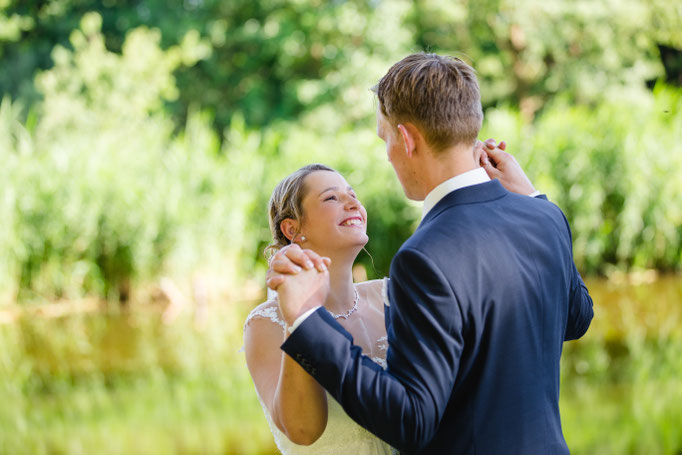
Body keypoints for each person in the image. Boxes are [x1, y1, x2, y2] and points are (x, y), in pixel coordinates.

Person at [268, 53, 594, 454]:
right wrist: (533, 197)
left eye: (384, 139)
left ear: (407, 140)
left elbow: (412, 420)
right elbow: (577, 319)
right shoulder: (543, 214)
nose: (387, 154)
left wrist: (306, 320)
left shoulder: (423, 257)